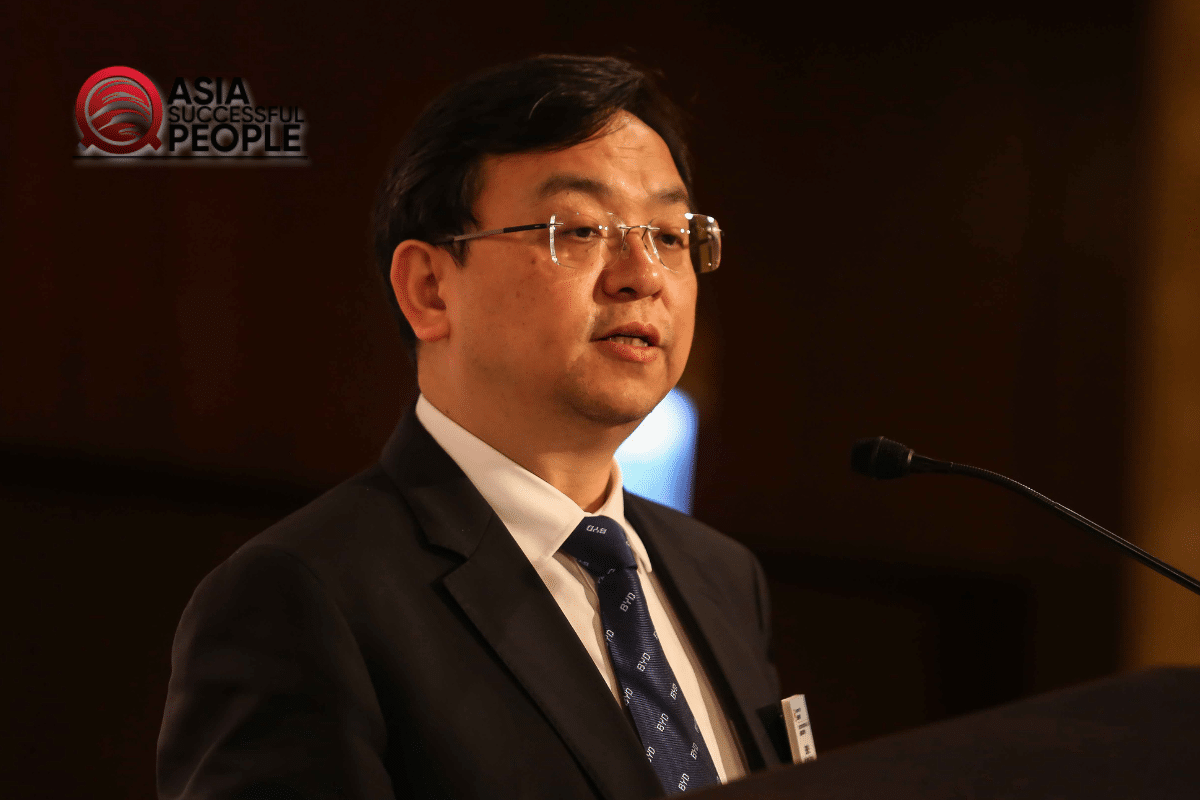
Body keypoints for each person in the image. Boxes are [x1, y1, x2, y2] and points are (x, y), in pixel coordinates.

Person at [156, 54, 785, 800]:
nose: (643, 274)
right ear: (429, 289)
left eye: (671, 235)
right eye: (581, 229)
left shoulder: (722, 575)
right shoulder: (303, 595)